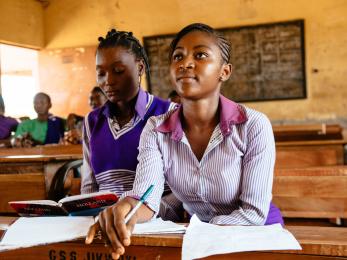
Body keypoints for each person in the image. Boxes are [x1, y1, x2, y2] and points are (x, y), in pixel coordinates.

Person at [86, 23, 283, 258]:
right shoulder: (156, 129)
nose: (185, 63)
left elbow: (253, 213)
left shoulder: (253, 125)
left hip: (256, 236)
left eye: (200, 55)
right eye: (178, 56)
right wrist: (127, 210)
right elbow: (146, 199)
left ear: (225, 71)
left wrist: (199, 234)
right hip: (198, 237)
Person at [80, 28, 176, 196]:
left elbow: (181, 190)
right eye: (101, 73)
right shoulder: (92, 121)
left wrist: (139, 214)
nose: (108, 81)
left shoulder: (168, 113)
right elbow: (89, 186)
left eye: (118, 71)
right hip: (104, 217)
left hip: (156, 216)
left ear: (140, 68)